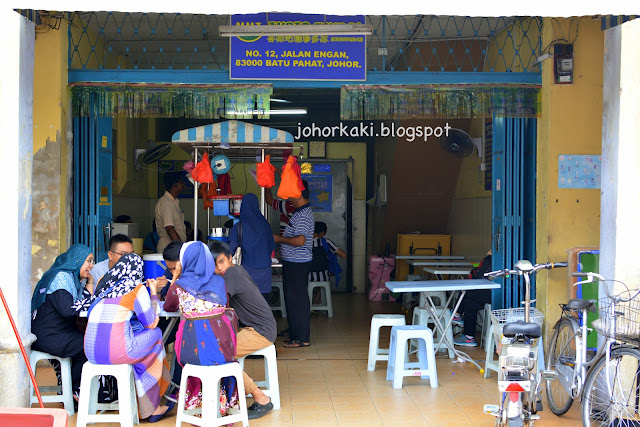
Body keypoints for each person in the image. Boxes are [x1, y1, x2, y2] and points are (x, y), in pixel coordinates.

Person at [81, 253, 173, 422]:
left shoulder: (103, 282)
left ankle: (144, 401)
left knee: (141, 347)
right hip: (117, 351)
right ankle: (151, 406)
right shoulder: (134, 288)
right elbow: (151, 322)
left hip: (91, 351)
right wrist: (153, 293)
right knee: (156, 335)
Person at [162, 241, 240, 417]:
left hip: (192, 352)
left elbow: (168, 306)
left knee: (188, 347)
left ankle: (196, 406)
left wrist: (175, 279)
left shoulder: (179, 286)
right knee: (213, 351)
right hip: (224, 349)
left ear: (184, 260)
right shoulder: (220, 281)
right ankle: (224, 406)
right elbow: (225, 306)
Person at [209, 241, 276, 420]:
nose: (220, 268)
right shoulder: (233, 272)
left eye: (222, 261)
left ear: (231, 259)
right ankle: (228, 399)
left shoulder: (233, 273)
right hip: (253, 328)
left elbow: (215, 303)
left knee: (219, 354)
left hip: (260, 330)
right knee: (218, 352)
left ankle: (261, 398)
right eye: (214, 265)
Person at [30, 244, 95, 398]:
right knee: (87, 345)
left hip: (58, 332)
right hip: (49, 336)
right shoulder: (61, 278)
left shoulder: (71, 279)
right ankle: (70, 390)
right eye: (88, 261)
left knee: (88, 340)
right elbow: (68, 310)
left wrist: (90, 282)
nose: (91, 266)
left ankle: (71, 388)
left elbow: (82, 303)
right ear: (77, 260)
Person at [273, 180, 314, 348]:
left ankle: (301, 338)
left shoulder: (304, 214)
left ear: (298, 194)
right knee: (292, 299)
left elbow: (300, 240)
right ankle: (294, 332)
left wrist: (279, 238)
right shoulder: (300, 212)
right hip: (293, 262)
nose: (289, 198)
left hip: (298, 263)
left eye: (291, 194)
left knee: (298, 300)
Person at [229, 193, 276, 299]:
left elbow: (230, 251)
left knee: (249, 302)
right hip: (265, 271)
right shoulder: (265, 225)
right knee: (263, 303)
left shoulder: (239, 227)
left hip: (248, 271)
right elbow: (271, 247)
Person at [453, 251, 493, 347]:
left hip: (494, 294)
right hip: (490, 293)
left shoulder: (490, 260)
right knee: (469, 303)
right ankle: (469, 337)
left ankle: (457, 314)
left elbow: (480, 277)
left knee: (466, 290)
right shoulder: (498, 260)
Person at [309, 221, 347, 303]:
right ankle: (315, 303)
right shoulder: (325, 242)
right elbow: (343, 255)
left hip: (306, 276)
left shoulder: (303, 242)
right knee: (320, 277)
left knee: (312, 278)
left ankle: (310, 303)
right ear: (322, 233)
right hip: (323, 275)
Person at [155, 171, 187, 254]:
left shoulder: (173, 202)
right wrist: (181, 247)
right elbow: (169, 229)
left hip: (174, 247)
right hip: (170, 248)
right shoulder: (166, 203)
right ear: (175, 185)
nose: (183, 185)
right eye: (181, 182)